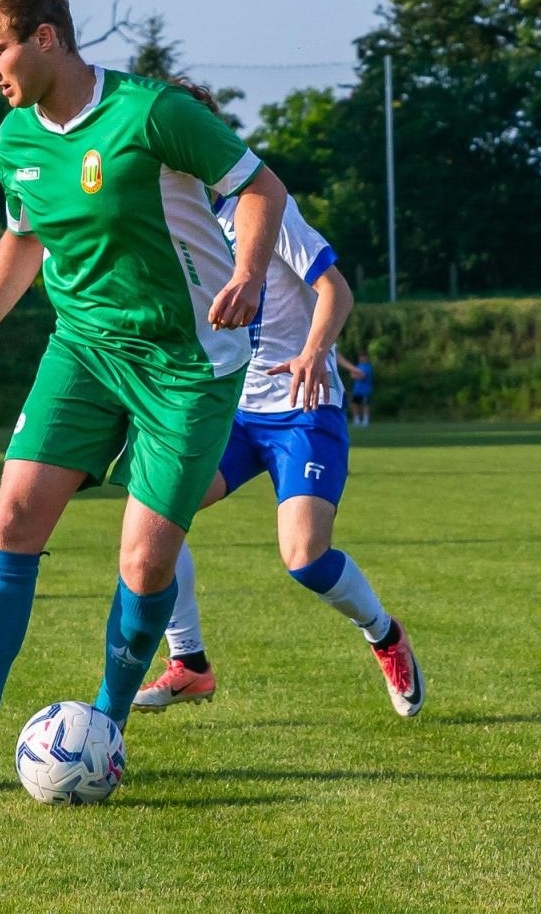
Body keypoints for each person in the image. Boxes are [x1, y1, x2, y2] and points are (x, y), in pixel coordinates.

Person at [0, 0, 288, 794]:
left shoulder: (152, 114)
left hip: (189, 366)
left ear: (45, 37)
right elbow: (25, 237)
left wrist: (253, 273)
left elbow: (261, 187)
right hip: (83, 348)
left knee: (147, 560)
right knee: (12, 513)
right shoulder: (15, 140)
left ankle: (105, 730)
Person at [132, 193, 423, 717]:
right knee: (155, 514)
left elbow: (336, 290)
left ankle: (384, 635)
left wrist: (313, 352)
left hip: (302, 408)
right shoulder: (176, 219)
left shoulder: (267, 209)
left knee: (306, 558)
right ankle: (189, 663)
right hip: (232, 410)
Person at [339, 350, 375, 427]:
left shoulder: (368, 367)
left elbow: (362, 376)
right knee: (355, 404)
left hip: (365, 390)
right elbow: (352, 375)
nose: (362, 359)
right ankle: (357, 419)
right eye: (361, 357)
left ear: (366, 358)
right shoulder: (358, 366)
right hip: (357, 390)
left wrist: (357, 375)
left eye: (363, 357)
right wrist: (357, 375)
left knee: (365, 405)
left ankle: (365, 420)